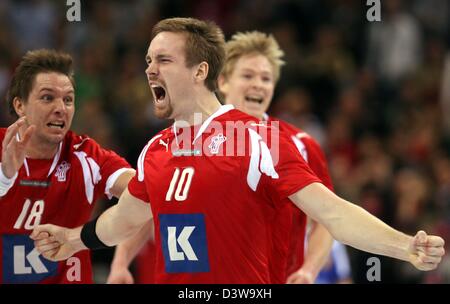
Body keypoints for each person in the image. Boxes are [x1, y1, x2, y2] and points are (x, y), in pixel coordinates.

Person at [31, 18, 444, 284]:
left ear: (200, 71)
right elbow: (125, 219)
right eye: (148, 59)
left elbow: (332, 214)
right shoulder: (157, 149)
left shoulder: (259, 139)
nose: (149, 69)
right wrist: (74, 240)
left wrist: (404, 246)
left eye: (163, 59)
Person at [106, 31, 334, 284]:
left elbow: (326, 219)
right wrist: (120, 262)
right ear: (223, 81)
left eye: (266, 78)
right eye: (248, 75)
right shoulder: (182, 140)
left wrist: (309, 270)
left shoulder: (298, 145)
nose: (258, 84)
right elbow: (149, 205)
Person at [0, 49, 135, 283]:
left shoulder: (85, 155)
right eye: (47, 97)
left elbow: (144, 191)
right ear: (20, 105)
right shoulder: (3, 148)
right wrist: (4, 178)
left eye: (68, 99)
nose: (61, 108)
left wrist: (82, 240)